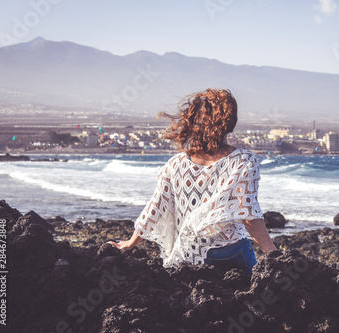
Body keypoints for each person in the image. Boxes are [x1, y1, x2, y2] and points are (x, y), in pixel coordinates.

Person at [109, 88, 276, 274]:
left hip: (187, 254)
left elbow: (155, 207)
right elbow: (249, 215)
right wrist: (273, 255)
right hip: (229, 252)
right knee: (250, 295)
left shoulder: (175, 164)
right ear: (230, 122)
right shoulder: (243, 160)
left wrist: (130, 243)